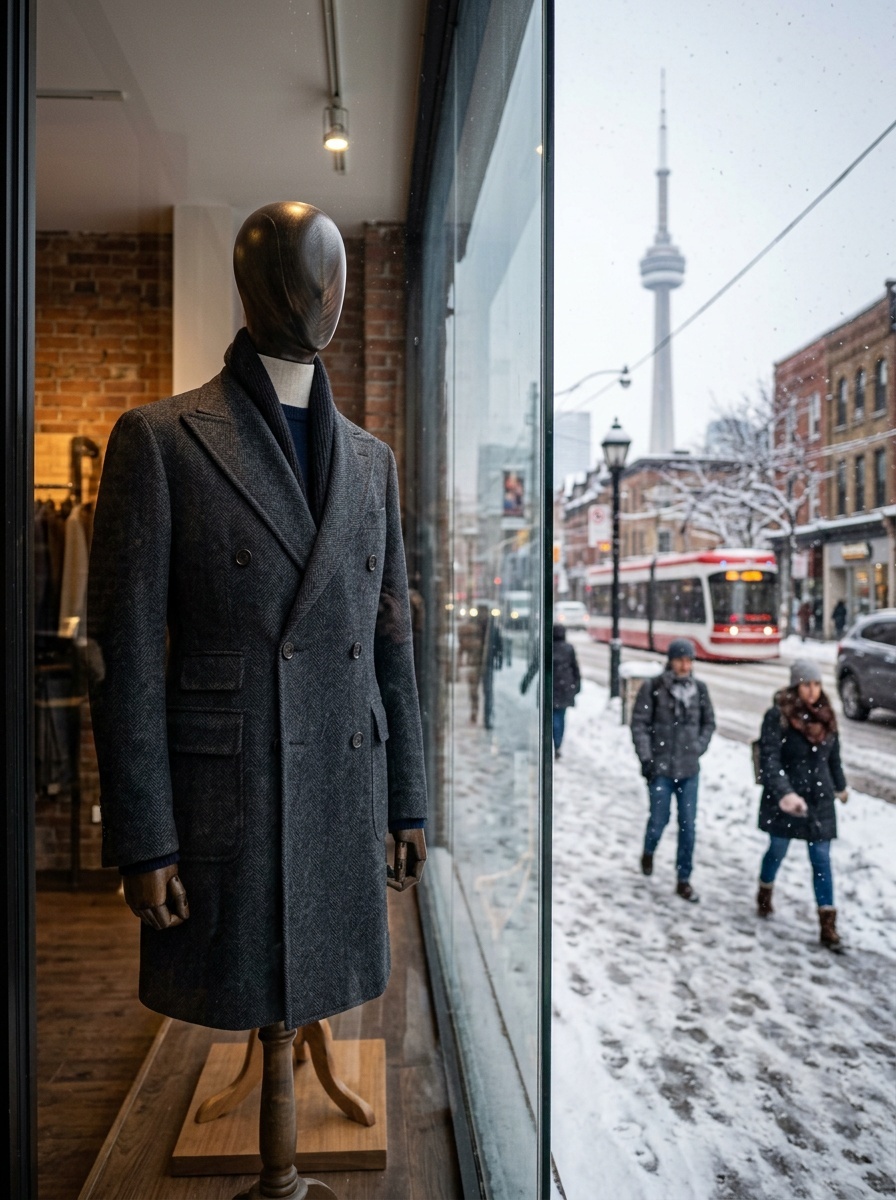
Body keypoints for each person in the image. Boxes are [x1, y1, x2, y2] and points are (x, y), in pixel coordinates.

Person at [756, 659, 848, 948]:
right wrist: (784, 793)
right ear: (797, 685)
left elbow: (833, 756)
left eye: (817, 684)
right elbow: (769, 759)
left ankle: (828, 926)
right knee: (777, 849)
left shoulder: (826, 715)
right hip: (787, 798)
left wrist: (841, 785)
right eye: (807, 684)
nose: (812, 690)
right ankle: (765, 890)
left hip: (819, 799)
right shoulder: (779, 715)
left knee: (821, 859)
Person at [631, 638, 715, 901]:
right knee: (658, 821)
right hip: (661, 769)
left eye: (689, 660)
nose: (685, 665)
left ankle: (683, 879)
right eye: (680, 660)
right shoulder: (654, 687)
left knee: (688, 826)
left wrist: (697, 746)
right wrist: (647, 759)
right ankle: (648, 851)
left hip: (689, 769)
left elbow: (709, 722)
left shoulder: (699, 689)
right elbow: (640, 725)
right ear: (671, 661)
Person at [551, 624, 581, 759]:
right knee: (560, 718)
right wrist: (577, 686)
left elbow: (535, 667)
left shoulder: (549, 648)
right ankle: (557, 744)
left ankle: (553, 741)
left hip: (551, 688)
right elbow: (575, 668)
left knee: (552, 718)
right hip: (565, 689)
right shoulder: (568, 648)